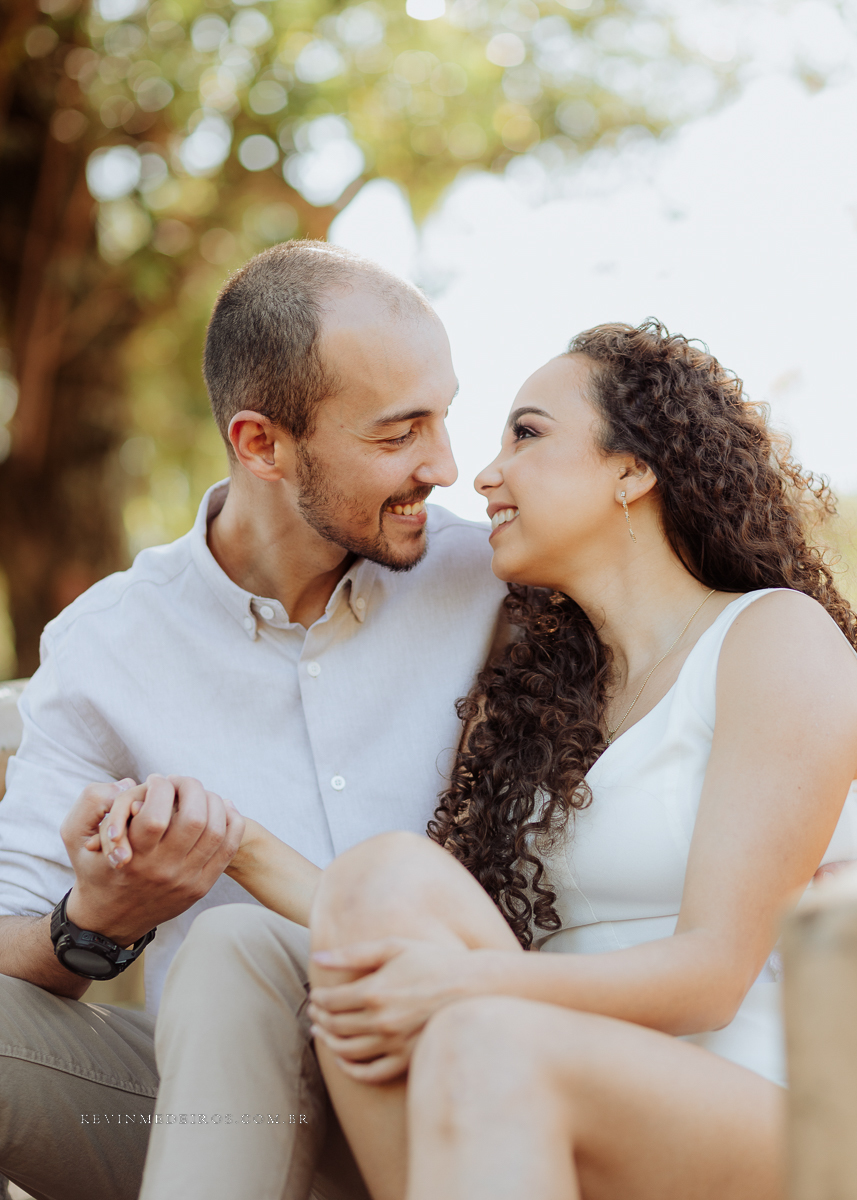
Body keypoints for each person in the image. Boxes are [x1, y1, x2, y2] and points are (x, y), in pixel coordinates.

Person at [98, 320, 857, 1199]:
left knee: (480, 1034)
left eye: (526, 435)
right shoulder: (538, 698)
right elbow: (384, 923)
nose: (482, 475)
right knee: (263, 933)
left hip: (758, 1108)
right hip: (516, 1074)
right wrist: (225, 838)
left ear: (631, 469)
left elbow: (714, 975)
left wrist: (462, 983)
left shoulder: (771, 638)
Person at [0, 242, 507, 1200]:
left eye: (442, 416)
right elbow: (11, 938)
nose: (444, 466)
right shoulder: (108, 644)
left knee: (234, 941)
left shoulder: (494, 583)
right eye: (398, 434)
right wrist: (99, 920)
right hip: (209, 1102)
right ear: (261, 444)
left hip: (453, 1075)